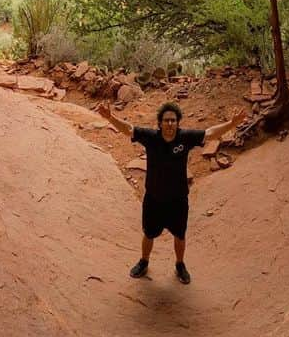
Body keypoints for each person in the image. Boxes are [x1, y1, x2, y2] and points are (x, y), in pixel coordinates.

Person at [96, 99, 247, 284]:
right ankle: (144, 261)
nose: (170, 123)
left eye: (173, 120)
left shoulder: (185, 137)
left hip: (178, 200)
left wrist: (232, 124)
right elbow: (129, 129)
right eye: (166, 120)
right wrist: (110, 117)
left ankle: (180, 265)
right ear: (160, 123)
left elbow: (209, 133)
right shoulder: (151, 137)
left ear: (178, 122)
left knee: (180, 234)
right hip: (153, 199)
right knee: (149, 233)